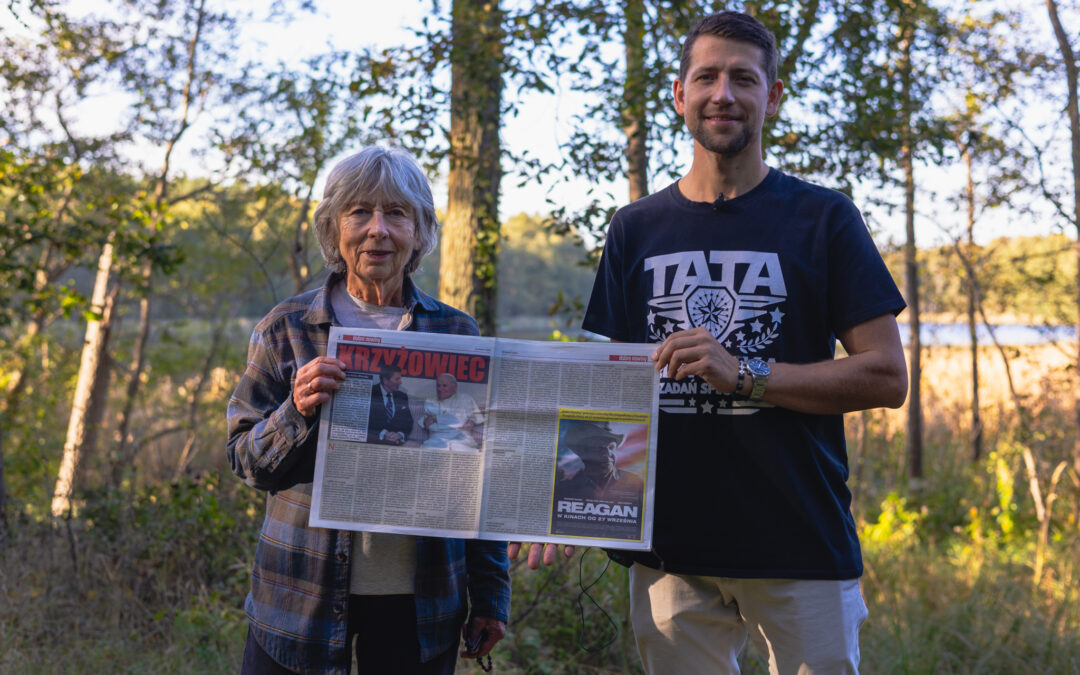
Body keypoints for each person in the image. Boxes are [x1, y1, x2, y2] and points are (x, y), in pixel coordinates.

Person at [512, 11, 908, 674]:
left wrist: (746, 373)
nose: (723, 93)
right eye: (707, 76)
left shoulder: (824, 218)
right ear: (680, 94)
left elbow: (886, 376)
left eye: (743, 79)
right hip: (670, 549)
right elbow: (604, 387)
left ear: (772, 97)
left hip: (799, 543)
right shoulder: (635, 227)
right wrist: (570, 508)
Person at [227, 145, 510, 674]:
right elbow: (245, 462)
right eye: (360, 212)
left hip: (421, 604)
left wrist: (492, 595)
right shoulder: (285, 327)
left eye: (396, 213)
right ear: (334, 228)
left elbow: (481, 477)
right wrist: (297, 411)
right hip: (298, 597)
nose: (377, 229)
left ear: (420, 231)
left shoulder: (456, 333)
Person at [555, 421, 643, 504]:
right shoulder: (565, 488)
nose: (607, 453)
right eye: (598, 448)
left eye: (611, 447)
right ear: (583, 453)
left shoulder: (635, 483)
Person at [421, 373, 484, 450]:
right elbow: (429, 426)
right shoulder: (430, 401)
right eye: (438, 385)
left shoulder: (466, 399)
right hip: (437, 440)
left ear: (455, 387)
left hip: (462, 441)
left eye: (444, 386)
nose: (440, 389)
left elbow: (467, 420)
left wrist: (436, 418)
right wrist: (459, 423)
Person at [369, 363, 414, 445]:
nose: (400, 382)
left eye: (400, 379)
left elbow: (408, 422)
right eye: (397, 379)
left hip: (396, 442)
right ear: (385, 380)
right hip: (374, 442)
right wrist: (384, 433)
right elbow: (365, 421)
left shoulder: (402, 396)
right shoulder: (370, 392)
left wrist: (400, 434)